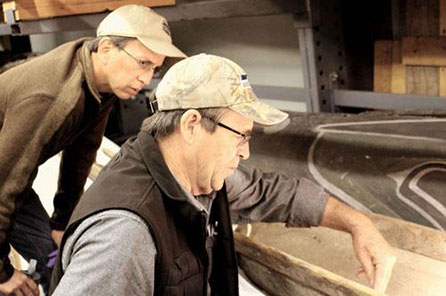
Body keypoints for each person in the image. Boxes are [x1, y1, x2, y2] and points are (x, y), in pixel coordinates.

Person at [50, 54, 396, 295]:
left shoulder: (197, 176)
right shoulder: (126, 234)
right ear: (191, 125)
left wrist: (358, 225)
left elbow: (275, 194)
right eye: (240, 135)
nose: (245, 151)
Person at [0, 4, 186, 295]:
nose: (147, 79)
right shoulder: (49, 97)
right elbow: (3, 182)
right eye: (142, 63)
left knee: (53, 257)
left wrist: (62, 222)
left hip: (6, 175)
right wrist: (3, 273)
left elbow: (82, 153)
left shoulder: (100, 82)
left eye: (154, 68)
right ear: (108, 48)